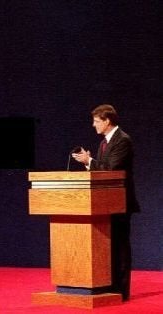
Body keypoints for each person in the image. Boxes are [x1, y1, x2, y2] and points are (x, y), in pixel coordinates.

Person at [71, 104, 139, 301]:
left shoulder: (123, 140)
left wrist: (89, 161)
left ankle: (121, 290)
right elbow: (102, 173)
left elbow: (112, 168)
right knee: (110, 246)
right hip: (105, 202)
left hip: (120, 201)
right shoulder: (104, 143)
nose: (94, 125)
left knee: (120, 245)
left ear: (107, 121)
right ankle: (110, 286)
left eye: (97, 121)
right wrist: (89, 162)